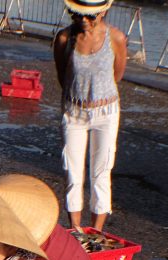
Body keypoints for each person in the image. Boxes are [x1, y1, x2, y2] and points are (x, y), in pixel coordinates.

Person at [53, 0, 127, 232]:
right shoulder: (64, 39)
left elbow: (117, 74)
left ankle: (96, 231)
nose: (83, 20)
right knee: (73, 172)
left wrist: (97, 94)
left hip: (106, 113)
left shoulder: (116, 38)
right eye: (76, 14)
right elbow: (62, 75)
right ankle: (75, 228)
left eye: (90, 16)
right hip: (74, 112)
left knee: (101, 172)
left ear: (103, 11)